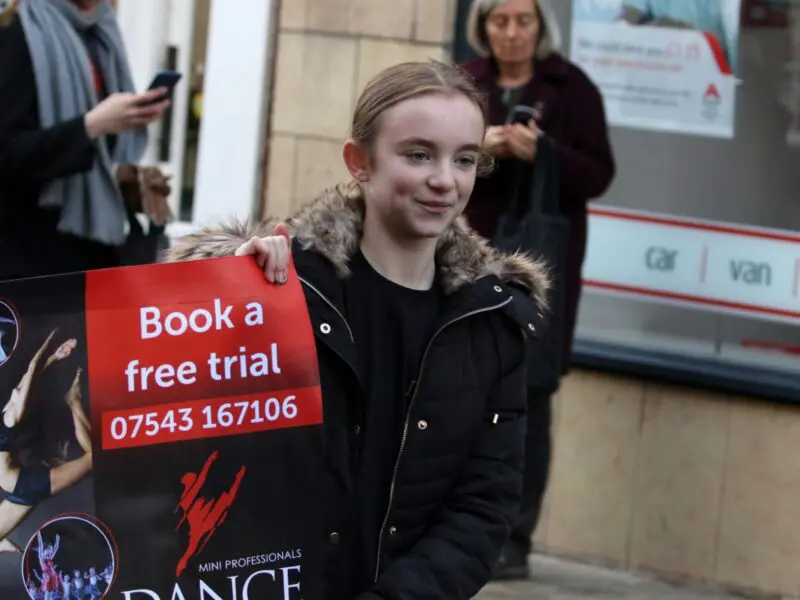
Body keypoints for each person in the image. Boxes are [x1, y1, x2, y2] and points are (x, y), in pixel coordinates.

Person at [165, 60, 550, 600]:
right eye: (418, 154)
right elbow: (184, 443)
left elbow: (482, 509)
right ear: (360, 161)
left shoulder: (493, 325)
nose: (444, 179)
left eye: (464, 159)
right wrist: (230, 291)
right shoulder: (281, 289)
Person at [459, 0, 616, 580]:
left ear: (540, 27)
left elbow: (599, 173)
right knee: (457, 386)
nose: (512, 32)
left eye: (523, 20)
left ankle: (514, 539)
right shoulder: (466, 83)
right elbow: (430, 159)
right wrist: (484, 151)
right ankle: (450, 523)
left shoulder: (571, 88)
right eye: (500, 20)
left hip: (541, 263)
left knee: (527, 393)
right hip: (468, 257)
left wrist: (542, 152)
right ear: (484, 27)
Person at [0, 0, 171, 282]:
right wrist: (91, 125)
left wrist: (125, 176)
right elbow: (7, 155)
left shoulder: (100, 35)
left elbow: (99, 151)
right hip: (28, 262)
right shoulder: (15, 34)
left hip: (94, 254)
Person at [0, 331, 93, 554]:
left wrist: (55, 356)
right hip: (19, 482)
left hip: (18, 481)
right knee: (93, 458)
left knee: (92, 458)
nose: (18, 387)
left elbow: (29, 377)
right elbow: (32, 369)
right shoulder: (11, 415)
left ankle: (73, 401)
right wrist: (51, 342)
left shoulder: (9, 414)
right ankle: (73, 401)